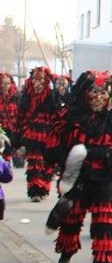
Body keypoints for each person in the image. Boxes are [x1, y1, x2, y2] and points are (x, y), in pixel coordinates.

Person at [50, 71, 112, 263]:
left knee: (105, 221)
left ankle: (103, 262)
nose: (98, 97)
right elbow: (58, 143)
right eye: (94, 92)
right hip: (79, 175)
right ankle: (66, 252)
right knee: (71, 218)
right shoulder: (73, 117)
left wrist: (102, 153)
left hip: (104, 178)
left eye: (103, 93)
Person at [17, 66, 63, 201]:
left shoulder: (52, 96)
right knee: (34, 161)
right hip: (32, 134)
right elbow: (21, 117)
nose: (37, 83)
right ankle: (35, 191)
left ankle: (44, 187)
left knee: (48, 164)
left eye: (41, 80)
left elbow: (57, 116)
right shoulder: (27, 97)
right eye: (35, 80)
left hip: (49, 135)